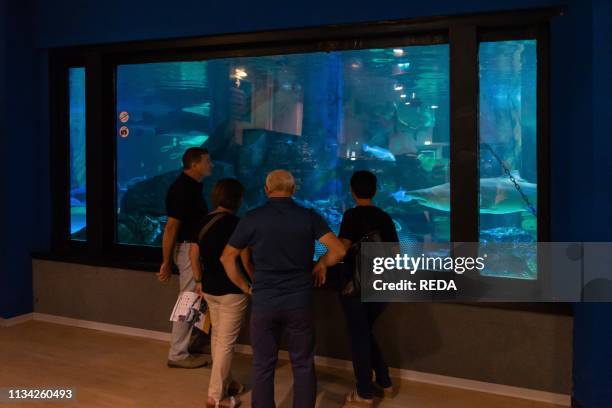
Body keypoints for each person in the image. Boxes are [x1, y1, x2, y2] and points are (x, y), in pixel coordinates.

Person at [220, 170, 346, 408]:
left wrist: (246, 287)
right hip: (299, 301)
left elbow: (227, 258)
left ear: (267, 190)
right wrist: (321, 264)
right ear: (294, 190)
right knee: (303, 363)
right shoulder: (308, 216)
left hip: (265, 301)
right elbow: (339, 250)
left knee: (263, 363)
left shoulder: (252, 218)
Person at [188, 178, 252, 408]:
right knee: (225, 342)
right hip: (232, 291)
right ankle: (216, 397)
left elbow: (193, 254)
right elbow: (242, 258)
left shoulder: (202, 221)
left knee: (217, 338)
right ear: (237, 199)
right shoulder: (238, 224)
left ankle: (228, 383)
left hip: (210, 288)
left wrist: (198, 280)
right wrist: (248, 284)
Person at [338, 170, 398, 407]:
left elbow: (342, 249)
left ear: (351, 191)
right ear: (376, 190)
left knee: (359, 336)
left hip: (357, 286)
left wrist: (322, 262)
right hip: (382, 285)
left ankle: (364, 391)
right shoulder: (385, 217)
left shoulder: (351, 216)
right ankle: (384, 381)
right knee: (365, 332)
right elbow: (396, 253)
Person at [157, 147, 213, 368]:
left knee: (195, 298)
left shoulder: (193, 187)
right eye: (207, 161)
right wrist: (166, 261)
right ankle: (178, 354)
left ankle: (189, 344)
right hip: (189, 250)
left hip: (193, 250)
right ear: (194, 164)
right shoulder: (183, 190)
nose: (211, 165)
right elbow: (171, 228)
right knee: (188, 298)